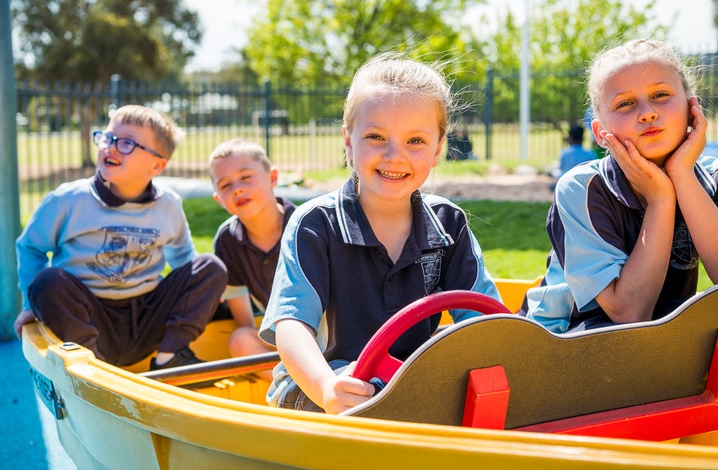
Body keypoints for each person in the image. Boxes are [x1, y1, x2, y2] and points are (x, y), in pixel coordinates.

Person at [258, 53, 501, 414]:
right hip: (319, 386)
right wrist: (327, 388)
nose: (394, 156)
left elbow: (484, 321)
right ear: (348, 140)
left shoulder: (448, 224)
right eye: (375, 136)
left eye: (415, 141)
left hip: (407, 387)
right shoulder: (316, 224)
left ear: (437, 149)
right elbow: (292, 326)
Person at [524, 39, 718, 333]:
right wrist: (661, 200)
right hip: (566, 339)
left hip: (662, 340)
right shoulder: (582, 188)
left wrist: (682, 174)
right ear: (601, 133)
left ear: (693, 109)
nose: (647, 113)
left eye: (661, 94)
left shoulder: (711, 176)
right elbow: (629, 314)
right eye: (625, 103)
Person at [14, 105, 228, 370]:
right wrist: (28, 303)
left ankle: (170, 356)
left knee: (211, 268)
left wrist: (203, 293)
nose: (111, 147)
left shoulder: (168, 204)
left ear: (157, 164)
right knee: (47, 282)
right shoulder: (68, 200)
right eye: (107, 137)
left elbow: (184, 258)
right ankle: (94, 368)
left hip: (147, 314)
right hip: (88, 316)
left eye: (126, 143)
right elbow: (30, 247)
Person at [209, 138, 294, 375]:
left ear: (273, 178)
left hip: (327, 333)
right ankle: (296, 391)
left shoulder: (306, 225)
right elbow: (246, 321)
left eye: (246, 177)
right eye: (225, 186)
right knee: (240, 340)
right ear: (219, 199)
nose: (237, 188)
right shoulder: (228, 239)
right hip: (280, 338)